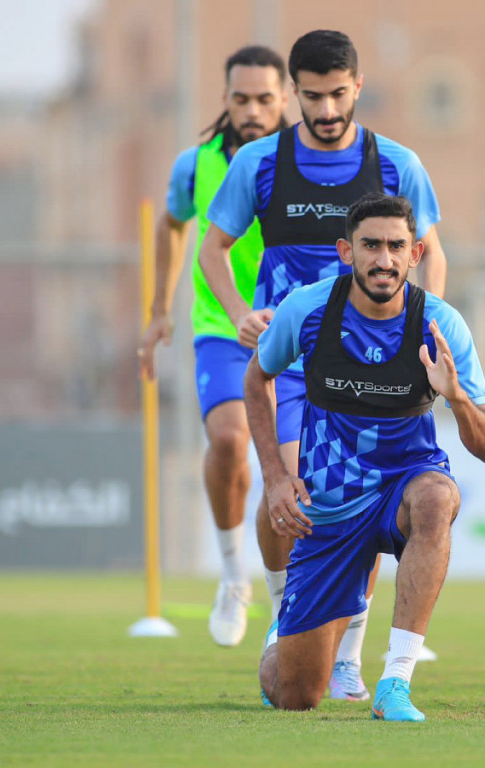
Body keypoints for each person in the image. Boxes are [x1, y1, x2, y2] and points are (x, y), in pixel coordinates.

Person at [200, 29, 448, 699]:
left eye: (338, 94)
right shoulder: (260, 162)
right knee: (298, 491)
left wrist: (423, 333)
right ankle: (287, 611)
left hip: (373, 362)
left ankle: (350, 654)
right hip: (292, 363)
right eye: (312, 97)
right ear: (294, 94)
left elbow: (431, 253)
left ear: (358, 86)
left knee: (361, 493)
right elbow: (212, 248)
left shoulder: (397, 163)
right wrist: (237, 313)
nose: (327, 109)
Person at [245, 193, 485, 719]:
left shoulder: (441, 324)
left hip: (403, 487)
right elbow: (257, 378)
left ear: (416, 253)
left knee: (437, 497)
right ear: (346, 251)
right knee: (295, 695)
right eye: (371, 245)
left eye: (396, 246)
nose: (384, 259)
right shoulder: (307, 309)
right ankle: (282, 634)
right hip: (330, 510)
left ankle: (395, 683)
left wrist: (455, 398)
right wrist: (274, 475)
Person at [138, 45, 288, 647]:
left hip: (293, 331)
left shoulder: (307, 162)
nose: (251, 110)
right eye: (240, 98)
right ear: (224, 98)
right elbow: (172, 224)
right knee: (229, 440)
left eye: (264, 99)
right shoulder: (195, 165)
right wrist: (158, 310)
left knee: (291, 468)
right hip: (222, 328)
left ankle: (287, 602)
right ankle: (232, 576)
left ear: (285, 99)